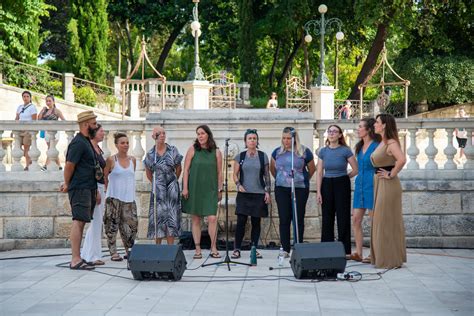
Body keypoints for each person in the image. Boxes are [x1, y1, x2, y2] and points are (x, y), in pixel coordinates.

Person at [60, 110, 98, 270]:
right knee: (78, 221)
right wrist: (67, 183)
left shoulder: (86, 141)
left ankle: (79, 257)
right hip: (80, 188)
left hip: (87, 187)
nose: (96, 126)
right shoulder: (78, 143)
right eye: (94, 123)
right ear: (86, 124)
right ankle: (75, 259)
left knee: (82, 222)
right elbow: (69, 165)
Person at [270, 127, 316, 257]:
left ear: (295, 138)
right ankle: (285, 248)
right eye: (284, 138)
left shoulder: (304, 152)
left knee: (298, 217)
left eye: (289, 138)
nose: (286, 141)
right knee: (284, 218)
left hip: (300, 188)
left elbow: (312, 169)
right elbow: (273, 169)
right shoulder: (277, 152)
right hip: (281, 188)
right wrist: (283, 180)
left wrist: (301, 180)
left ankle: (298, 246)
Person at [370, 113, 407, 269]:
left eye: (377, 122)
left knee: (385, 220)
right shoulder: (382, 142)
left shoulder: (391, 142)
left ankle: (390, 259)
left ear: (384, 125)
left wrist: (391, 174)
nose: (374, 125)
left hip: (388, 184)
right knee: (380, 219)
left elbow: (402, 159)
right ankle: (383, 257)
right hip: (379, 183)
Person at [316, 125, 358, 257]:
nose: (331, 134)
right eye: (329, 131)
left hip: (342, 183)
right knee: (327, 217)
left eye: (334, 131)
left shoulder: (345, 150)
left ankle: (344, 251)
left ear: (340, 135)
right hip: (327, 184)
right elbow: (319, 173)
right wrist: (318, 191)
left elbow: (356, 169)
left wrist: (345, 177)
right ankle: (326, 249)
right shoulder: (323, 151)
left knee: (343, 217)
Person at [182, 125, 223, 259]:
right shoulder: (192, 149)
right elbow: (186, 170)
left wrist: (219, 189)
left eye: (202, 133)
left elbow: (219, 172)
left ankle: (213, 247)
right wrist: (185, 188)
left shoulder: (216, 152)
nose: (200, 136)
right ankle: (197, 248)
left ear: (208, 135)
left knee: (212, 218)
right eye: (198, 134)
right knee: (196, 218)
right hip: (195, 188)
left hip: (210, 189)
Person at [231, 129, 271, 259]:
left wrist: (267, 192)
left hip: (259, 193)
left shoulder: (262, 156)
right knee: (241, 221)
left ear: (257, 140)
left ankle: (254, 248)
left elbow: (267, 176)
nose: (252, 140)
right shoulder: (240, 157)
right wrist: (238, 185)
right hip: (244, 194)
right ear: (245, 141)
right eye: (250, 138)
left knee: (256, 223)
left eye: (254, 138)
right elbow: (234, 175)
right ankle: (237, 248)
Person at [143, 126, 183, 245]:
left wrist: (171, 182)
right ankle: (158, 248)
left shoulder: (172, 150)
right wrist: (158, 183)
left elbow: (178, 169)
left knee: (171, 216)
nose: (162, 135)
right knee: (158, 217)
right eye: (159, 133)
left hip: (171, 188)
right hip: (158, 190)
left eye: (163, 133)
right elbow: (149, 173)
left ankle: (170, 248)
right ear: (153, 136)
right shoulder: (151, 154)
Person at [103, 132, 138, 261]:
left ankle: (129, 250)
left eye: (127, 142)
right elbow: (105, 176)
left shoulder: (133, 160)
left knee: (131, 226)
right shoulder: (111, 160)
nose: (125, 145)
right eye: (122, 143)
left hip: (129, 198)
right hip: (114, 197)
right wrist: (107, 189)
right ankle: (113, 252)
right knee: (111, 225)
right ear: (116, 145)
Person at [350, 118, 380, 262]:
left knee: (373, 220)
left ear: (368, 130)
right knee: (356, 219)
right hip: (360, 184)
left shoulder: (377, 146)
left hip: (372, 184)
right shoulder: (359, 146)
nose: (358, 129)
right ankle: (359, 252)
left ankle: (374, 253)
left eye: (361, 127)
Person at [80, 124, 106, 265]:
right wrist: (96, 190)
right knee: (95, 222)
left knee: (97, 222)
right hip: (95, 187)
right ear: (94, 133)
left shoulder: (98, 148)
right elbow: (90, 171)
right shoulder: (90, 148)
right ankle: (93, 256)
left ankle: (88, 253)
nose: (103, 133)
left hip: (101, 186)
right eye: (101, 131)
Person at [38, 95, 66, 170]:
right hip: (46, 133)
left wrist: (59, 126)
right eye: (47, 101)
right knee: (51, 148)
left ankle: (45, 166)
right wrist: (42, 109)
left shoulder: (56, 111)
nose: (48, 102)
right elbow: (39, 118)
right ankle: (59, 166)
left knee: (50, 148)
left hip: (55, 133)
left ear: (53, 102)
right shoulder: (45, 110)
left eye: (50, 101)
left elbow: (64, 120)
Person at [15, 90, 37, 170]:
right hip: (19, 129)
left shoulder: (32, 107)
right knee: (18, 146)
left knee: (26, 148)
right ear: (22, 98)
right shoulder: (20, 107)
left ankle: (27, 165)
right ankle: (28, 161)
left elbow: (34, 120)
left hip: (28, 130)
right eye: (24, 96)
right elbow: (17, 118)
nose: (25, 98)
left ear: (30, 98)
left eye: (27, 96)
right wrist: (13, 130)